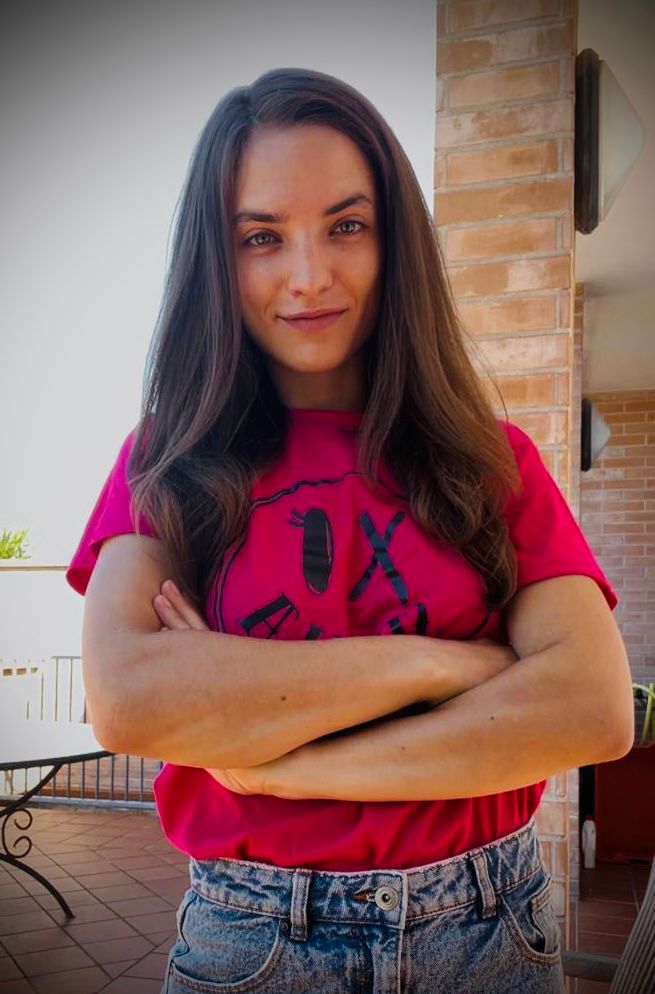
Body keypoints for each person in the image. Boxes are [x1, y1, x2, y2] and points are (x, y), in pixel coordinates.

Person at [65, 67, 634, 994]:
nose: (308, 276)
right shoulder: (169, 459)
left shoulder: (490, 460)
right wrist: (442, 664)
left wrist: (280, 767)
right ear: (218, 260)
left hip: (488, 931)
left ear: (392, 239)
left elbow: (590, 707)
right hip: (252, 938)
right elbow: (131, 699)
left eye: (346, 226)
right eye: (260, 237)